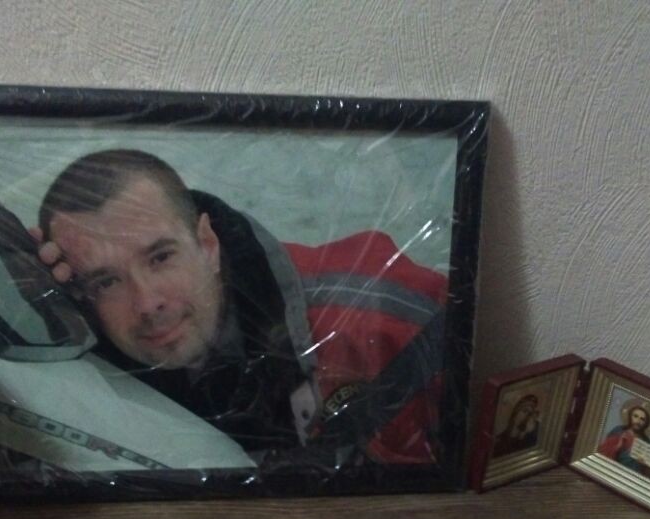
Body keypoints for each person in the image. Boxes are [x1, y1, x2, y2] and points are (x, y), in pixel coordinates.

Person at [30, 149, 447, 464]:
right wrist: (30, 312)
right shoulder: (79, 368)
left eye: (161, 257)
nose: (147, 303)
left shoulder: (375, 312)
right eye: (106, 282)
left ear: (208, 244)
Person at [597, 401, 650, 478]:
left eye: (642, 419)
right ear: (630, 416)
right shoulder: (618, 431)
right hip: (612, 472)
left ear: (646, 423)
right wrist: (617, 447)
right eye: (635, 416)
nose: (638, 421)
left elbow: (649, 475)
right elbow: (602, 454)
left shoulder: (647, 443)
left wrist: (645, 465)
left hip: (633, 478)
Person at [491, 393, 540, 458]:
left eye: (530, 414)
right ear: (515, 412)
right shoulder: (499, 440)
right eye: (525, 411)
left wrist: (524, 434)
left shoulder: (531, 437)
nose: (528, 417)